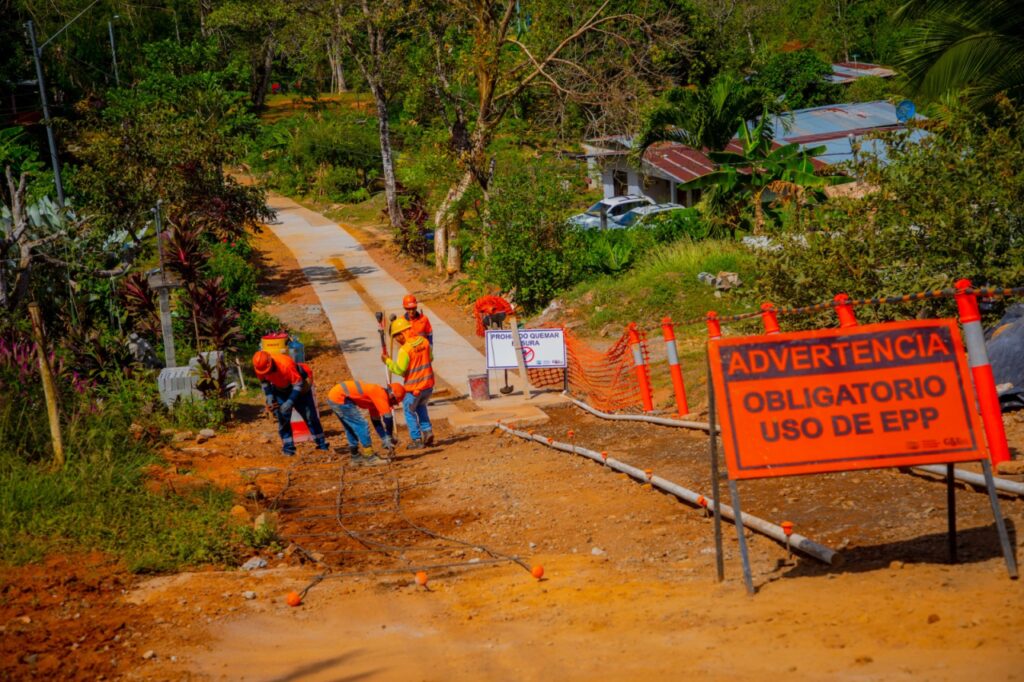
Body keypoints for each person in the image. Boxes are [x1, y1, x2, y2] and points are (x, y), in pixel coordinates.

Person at [252, 350, 329, 456]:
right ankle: (288, 449)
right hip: (280, 389)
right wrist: (269, 395)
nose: (265, 373)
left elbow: (298, 384)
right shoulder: (260, 367)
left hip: (300, 388)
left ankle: (322, 445)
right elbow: (264, 382)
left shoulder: (285, 364)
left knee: (310, 417)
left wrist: (289, 402)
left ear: (270, 363)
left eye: (267, 370)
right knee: (283, 419)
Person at [382, 317, 435, 448]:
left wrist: (388, 362)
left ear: (402, 334)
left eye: (396, 337)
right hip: (428, 386)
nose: (396, 340)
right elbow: (431, 358)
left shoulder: (405, 350)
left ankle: (416, 440)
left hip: (414, 389)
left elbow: (400, 370)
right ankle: (427, 431)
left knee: (409, 411)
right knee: (421, 407)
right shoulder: (424, 341)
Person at [326, 380, 405, 466]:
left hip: (336, 396)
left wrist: (384, 438)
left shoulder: (375, 398)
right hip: (341, 397)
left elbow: (376, 421)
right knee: (361, 425)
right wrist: (389, 437)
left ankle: (355, 456)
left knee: (350, 428)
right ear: (392, 396)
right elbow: (388, 418)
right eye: (394, 402)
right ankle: (370, 457)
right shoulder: (380, 394)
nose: (392, 405)